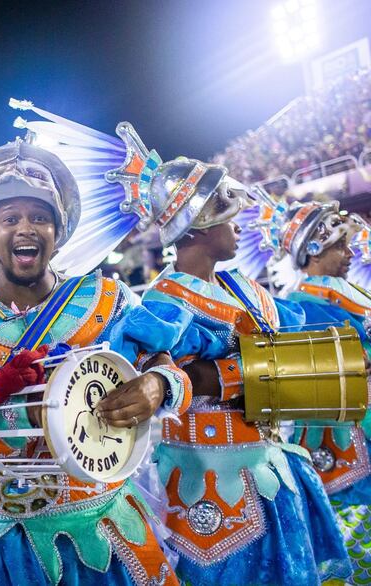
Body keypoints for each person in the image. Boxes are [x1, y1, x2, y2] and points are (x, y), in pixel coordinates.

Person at [0, 137, 193, 585]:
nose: (25, 229)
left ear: (58, 233)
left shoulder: (106, 299)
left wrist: (158, 385)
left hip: (104, 530)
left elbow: (170, 366)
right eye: (10, 218)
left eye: (40, 218)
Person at [106, 121, 350, 585]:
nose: (239, 226)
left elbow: (283, 354)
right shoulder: (165, 301)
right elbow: (159, 372)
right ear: (197, 225)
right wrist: (220, 374)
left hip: (269, 466)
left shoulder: (244, 289)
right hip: (208, 484)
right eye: (227, 215)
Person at [275, 202, 371, 584]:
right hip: (341, 441)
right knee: (356, 530)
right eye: (340, 247)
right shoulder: (300, 305)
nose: (350, 254)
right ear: (313, 250)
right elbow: (339, 364)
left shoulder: (344, 292)